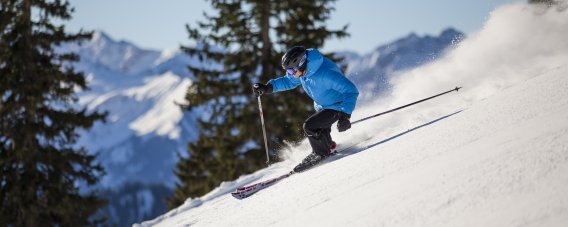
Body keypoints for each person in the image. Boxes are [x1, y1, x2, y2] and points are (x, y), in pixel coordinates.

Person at [253, 46, 359, 171]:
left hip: (338, 106)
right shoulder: (304, 71)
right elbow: (289, 81)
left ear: (301, 64)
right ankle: (328, 146)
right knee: (320, 128)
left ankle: (320, 154)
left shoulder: (326, 74)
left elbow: (351, 91)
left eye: (292, 71)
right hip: (323, 106)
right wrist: (267, 88)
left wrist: (345, 115)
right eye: (289, 71)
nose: (291, 74)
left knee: (310, 126)